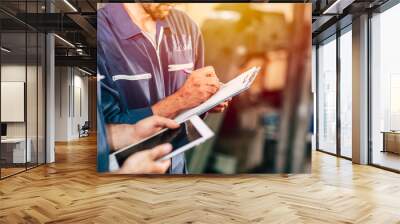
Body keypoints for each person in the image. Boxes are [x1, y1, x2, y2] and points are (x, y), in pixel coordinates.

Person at [97, 3, 229, 174]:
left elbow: (191, 109)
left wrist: (207, 99)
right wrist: (179, 101)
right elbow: (102, 130)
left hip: (177, 169)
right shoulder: (100, 33)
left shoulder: (186, 26)